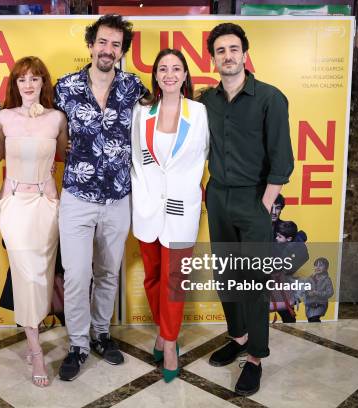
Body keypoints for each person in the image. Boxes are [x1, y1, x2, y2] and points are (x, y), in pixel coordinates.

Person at [199, 23, 294, 396]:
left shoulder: (270, 98)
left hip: (254, 199)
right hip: (218, 196)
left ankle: (255, 357)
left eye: (233, 49)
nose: (228, 56)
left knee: (252, 283)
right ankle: (237, 338)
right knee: (226, 277)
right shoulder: (207, 101)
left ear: (244, 53)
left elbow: (282, 160)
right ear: (214, 58)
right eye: (220, 50)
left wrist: (263, 207)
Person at [54, 14, 147, 381]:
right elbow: (48, 131)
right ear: (91, 45)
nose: (109, 50)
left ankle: (101, 333)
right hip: (77, 196)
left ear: (121, 51)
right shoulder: (65, 87)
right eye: (103, 42)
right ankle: (77, 343)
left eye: (116, 45)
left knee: (108, 271)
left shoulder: (133, 87)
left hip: (118, 197)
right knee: (77, 275)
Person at [130, 49, 208, 382]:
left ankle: (170, 342)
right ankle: (163, 330)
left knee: (174, 281)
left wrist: (187, 193)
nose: (170, 74)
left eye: (176, 68)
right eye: (163, 68)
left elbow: (202, 156)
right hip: (148, 209)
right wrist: (145, 197)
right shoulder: (142, 111)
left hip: (181, 209)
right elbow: (136, 158)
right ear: (156, 76)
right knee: (152, 277)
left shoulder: (200, 112)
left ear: (186, 74)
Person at [0, 56, 68, 387]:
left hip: (46, 203)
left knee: (43, 271)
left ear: (43, 83)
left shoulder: (56, 119)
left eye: (35, 78)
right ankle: (36, 349)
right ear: (15, 84)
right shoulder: (3, 117)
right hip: (13, 204)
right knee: (24, 271)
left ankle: (34, 329)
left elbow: (66, 156)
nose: (28, 84)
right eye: (22, 79)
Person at [301, 257, 334, 322]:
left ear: (326, 268)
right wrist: (308, 293)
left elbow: (330, 293)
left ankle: (318, 331)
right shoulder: (309, 278)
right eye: (316, 265)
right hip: (309, 305)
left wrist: (317, 293)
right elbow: (303, 290)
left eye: (321, 265)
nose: (318, 267)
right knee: (310, 320)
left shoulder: (327, 280)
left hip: (320, 305)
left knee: (314, 319)